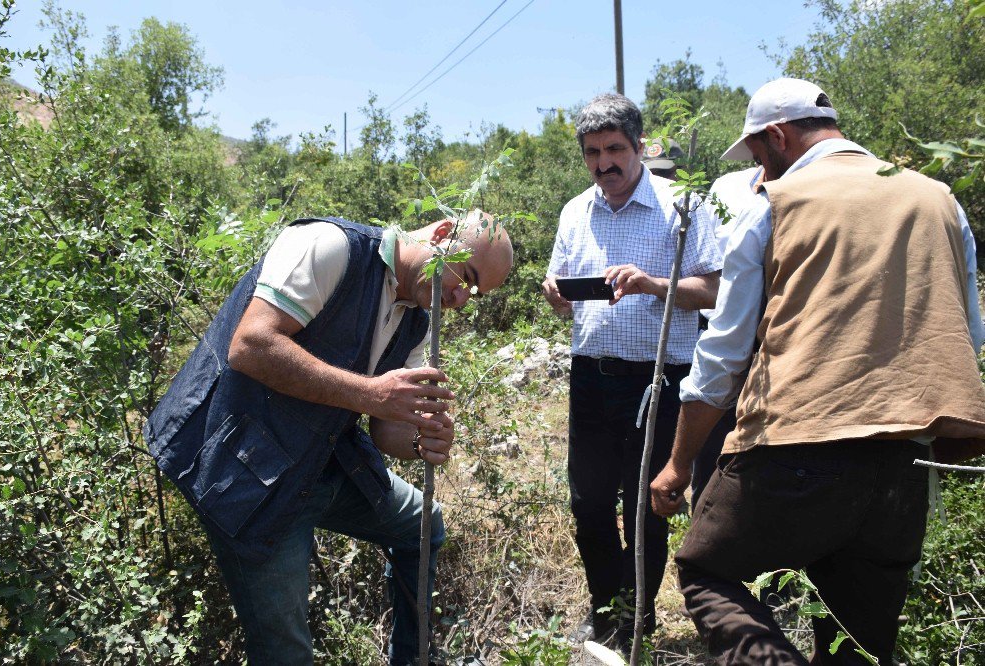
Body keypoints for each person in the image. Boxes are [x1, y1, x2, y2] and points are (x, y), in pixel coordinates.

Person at [650, 77, 985, 664]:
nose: (760, 176)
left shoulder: (773, 207)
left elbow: (722, 359)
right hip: (905, 460)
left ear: (777, 137)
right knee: (856, 639)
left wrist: (678, 465)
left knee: (707, 572)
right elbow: (969, 337)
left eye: (759, 160)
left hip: (797, 446)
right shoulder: (940, 200)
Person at [143, 212, 513, 665]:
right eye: (466, 277)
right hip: (242, 472)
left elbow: (384, 428)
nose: (459, 298)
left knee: (423, 526)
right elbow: (251, 344)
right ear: (441, 234)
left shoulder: (416, 318)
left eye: (474, 294)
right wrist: (373, 393)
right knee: (286, 653)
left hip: (319, 464)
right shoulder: (330, 246)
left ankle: (412, 658)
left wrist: (419, 441)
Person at [541, 92, 723, 645]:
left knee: (647, 502)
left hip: (661, 381)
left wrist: (651, 284)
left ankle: (637, 621)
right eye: (593, 153)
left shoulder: (682, 207)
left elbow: (712, 288)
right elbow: (560, 283)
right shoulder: (576, 210)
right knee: (589, 502)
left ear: (640, 147)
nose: (604, 164)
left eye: (615, 149)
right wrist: (556, 294)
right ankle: (605, 614)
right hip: (591, 377)